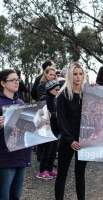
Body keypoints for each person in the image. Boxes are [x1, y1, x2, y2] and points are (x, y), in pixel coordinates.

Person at [55, 62, 88, 200]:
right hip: (67, 141)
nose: (78, 77)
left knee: (80, 175)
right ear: (70, 75)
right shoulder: (63, 95)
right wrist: (70, 140)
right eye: (75, 74)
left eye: (80, 74)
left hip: (84, 141)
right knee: (62, 174)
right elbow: (61, 121)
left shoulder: (87, 95)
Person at [0, 69, 31, 200]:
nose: (16, 82)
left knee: (16, 195)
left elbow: (27, 129)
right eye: (12, 80)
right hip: (5, 158)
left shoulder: (21, 103)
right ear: (2, 83)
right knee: (4, 195)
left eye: (18, 79)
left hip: (21, 156)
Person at [35, 80, 60, 180]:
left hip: (55, 128)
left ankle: (49, 169)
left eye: (59, 89)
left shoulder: (56, 98)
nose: (58, 90)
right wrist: (52, 114)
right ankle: (42, 171)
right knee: (47, 151)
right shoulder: (44, 100)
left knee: (53, 150)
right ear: (50, 89)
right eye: (56, 89)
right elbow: (40, 115)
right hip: (46, 130)